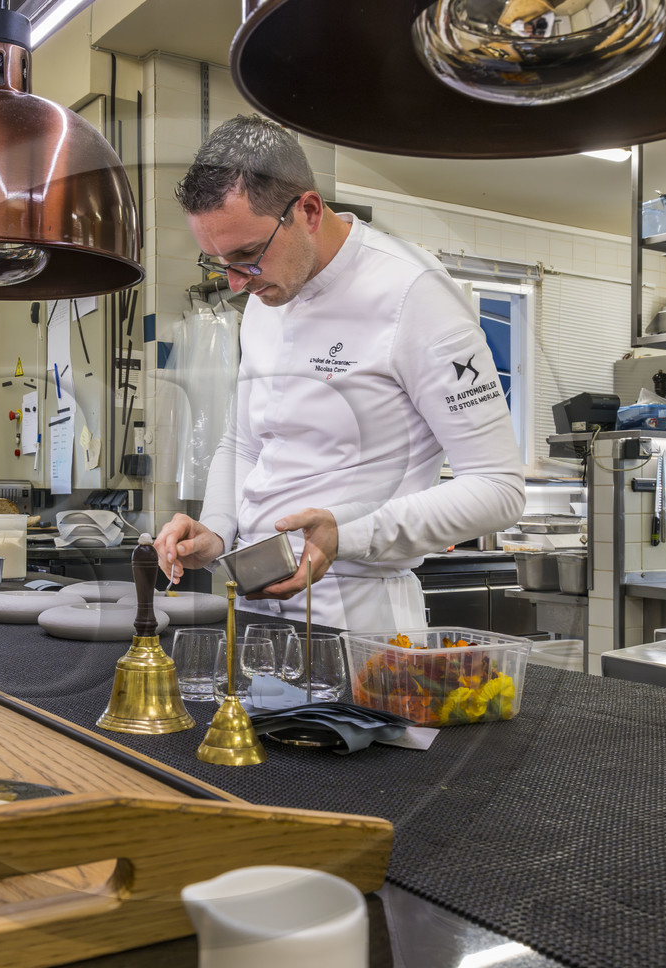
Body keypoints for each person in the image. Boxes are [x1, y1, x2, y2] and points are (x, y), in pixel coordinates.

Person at [154, 115, 526, 632]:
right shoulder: (266, 298)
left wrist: (345, 534)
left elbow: (498, 488)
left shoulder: (413, 293)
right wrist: (216, 531)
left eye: (247, 256)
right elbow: (242, 443)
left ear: (307, 210)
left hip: (360, 614)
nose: (236, 284)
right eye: (219, 263)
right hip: (256, 607)